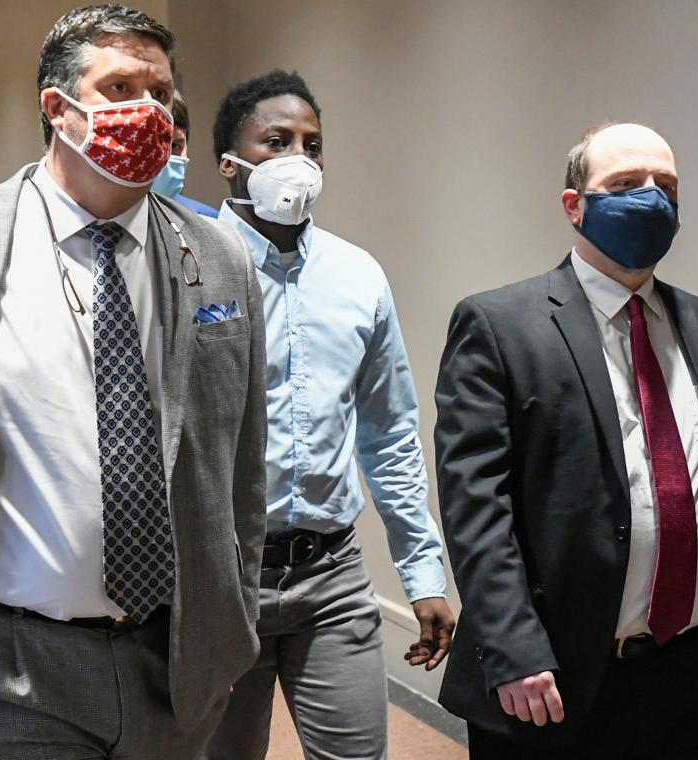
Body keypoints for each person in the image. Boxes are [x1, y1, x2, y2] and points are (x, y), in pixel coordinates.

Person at [0, 5, 266, 759]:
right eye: (119, 88)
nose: (149, 111)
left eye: (160, 91)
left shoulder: (220, 256)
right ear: (57, 107)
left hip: (172, 673)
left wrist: (228, 636)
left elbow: (242, 463)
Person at [434, 122, 698, 759]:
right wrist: (512, 644)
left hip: (696, 668)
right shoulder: (498, 324)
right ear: (574, 205)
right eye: (625, 185)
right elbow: (476, 509)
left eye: (667, 186)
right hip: (556, 671)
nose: (651, 199)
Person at [204, 70, 456, 760]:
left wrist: (422, 572)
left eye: (312, 144)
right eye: (275, 141)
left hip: (332, 579)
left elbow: (390, 434)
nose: (298, 159)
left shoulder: (356, 275)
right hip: (221, 584)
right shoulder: (185, 268)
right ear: (229, 164)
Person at [151, 91, 219, 217]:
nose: (166, 155)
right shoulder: (106, 225)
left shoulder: (208, 222)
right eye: (154, 144)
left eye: (175, 146)